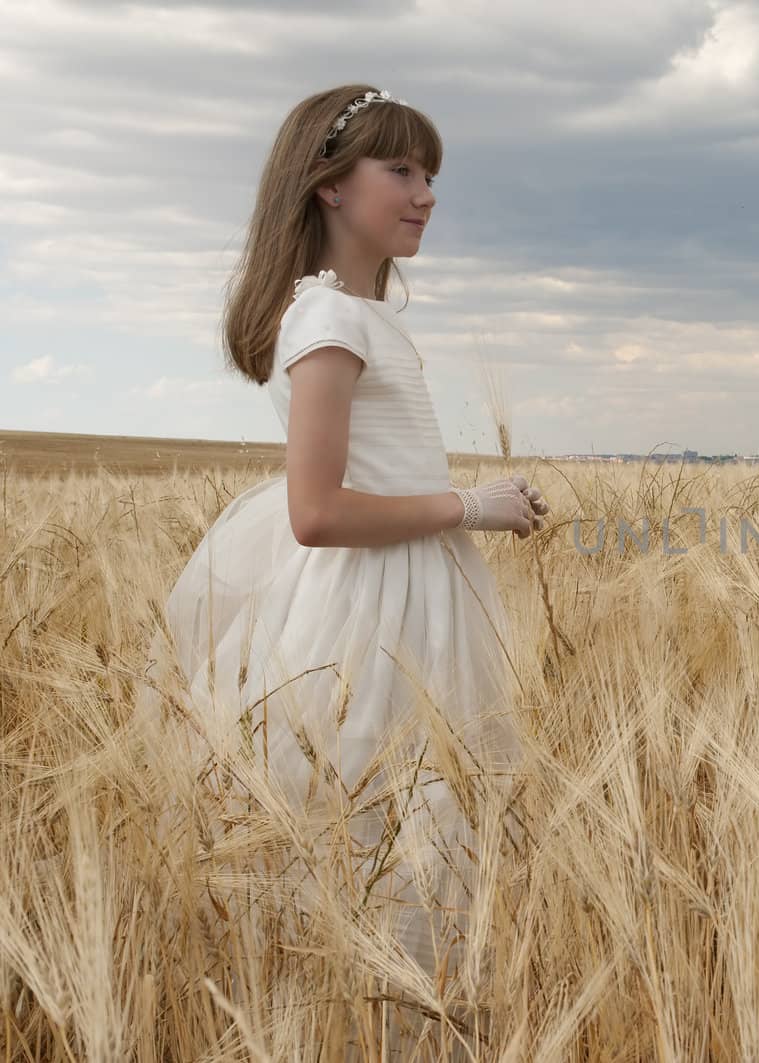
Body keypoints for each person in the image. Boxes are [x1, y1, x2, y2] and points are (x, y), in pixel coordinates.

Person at [132, 84, 549, 1005]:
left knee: (417, 824)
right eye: (400, 169)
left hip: (411, 587)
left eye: (431, 175)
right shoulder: (327, 320)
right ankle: (387, 1012)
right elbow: (314, 511)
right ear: (327, 185)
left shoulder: (356, 314)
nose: (426, 193)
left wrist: (474, 503)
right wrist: (472, 506)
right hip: (375, 607)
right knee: (392, 825)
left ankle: (406, 1004)